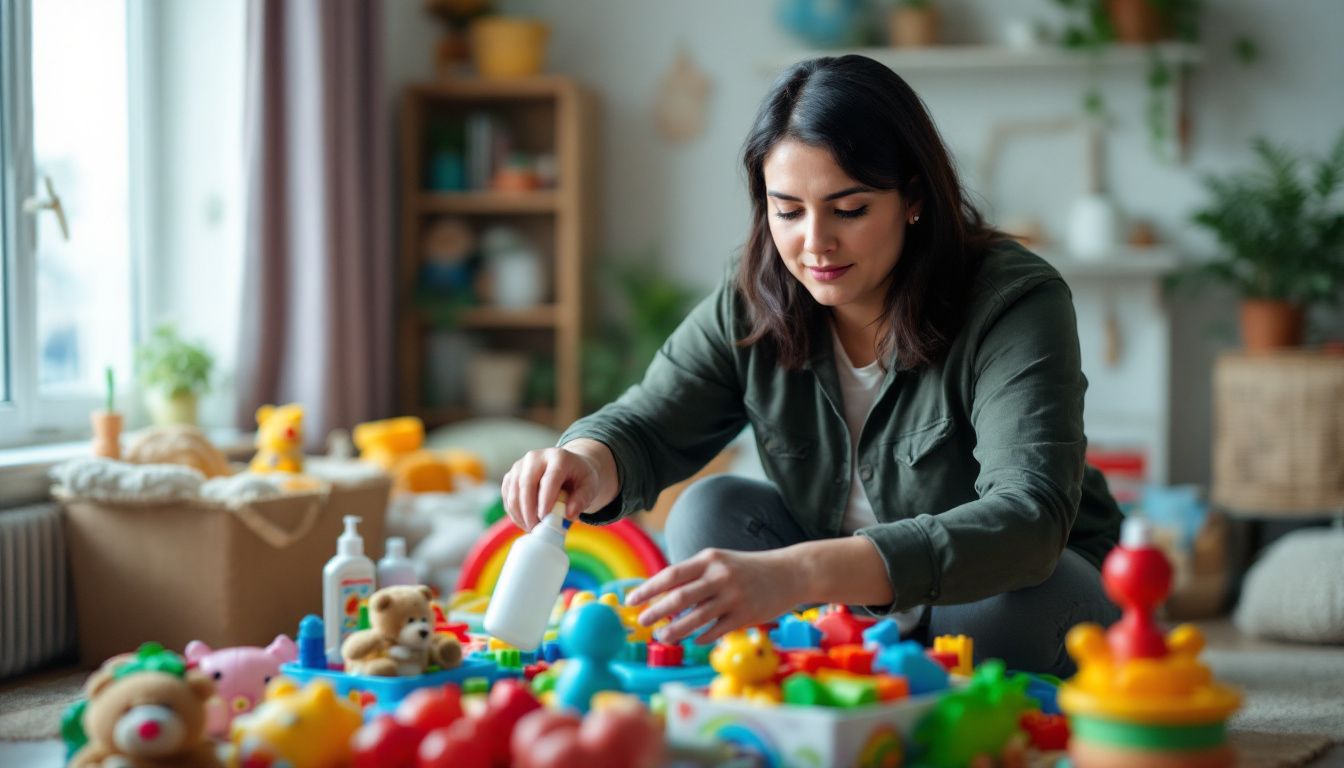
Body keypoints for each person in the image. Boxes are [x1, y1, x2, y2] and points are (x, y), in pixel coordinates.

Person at [500, 54, 1122, 676]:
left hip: (1002, 589)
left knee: (997, 613)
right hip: (838, 601)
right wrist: (581, 460)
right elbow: (648, 424)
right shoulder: (754, 299)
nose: (815, 243)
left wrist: (796, 574)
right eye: (788, 211)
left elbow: (1027, 519)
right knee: (707, 513)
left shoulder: (1013, 301)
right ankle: (840, 666)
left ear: (912, 197)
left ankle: (909, 668)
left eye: (848, 210)